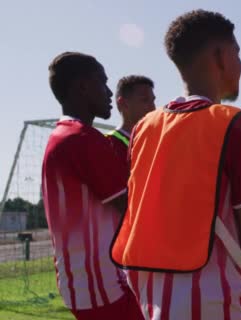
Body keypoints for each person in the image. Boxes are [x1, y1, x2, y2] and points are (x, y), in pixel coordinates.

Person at [110, 10, 241, 320]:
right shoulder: (234, 123)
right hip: (212, 297)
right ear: (219, 56)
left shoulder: (143, 127)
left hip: (150, 293)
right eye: (237, 53)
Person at [42, 52, 143, 320]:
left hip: (84, 282)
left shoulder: (63, 135)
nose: (109, 92)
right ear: (83, 87)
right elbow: (133, 208)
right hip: (101, 284)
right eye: (103, 82)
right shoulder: (82, 139)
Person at [105, 75, 155, 161]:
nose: (153, 107)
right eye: (145, 100)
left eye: (153, 100)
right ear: (123, 103)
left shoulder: (156, 141)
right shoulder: (108, 144)